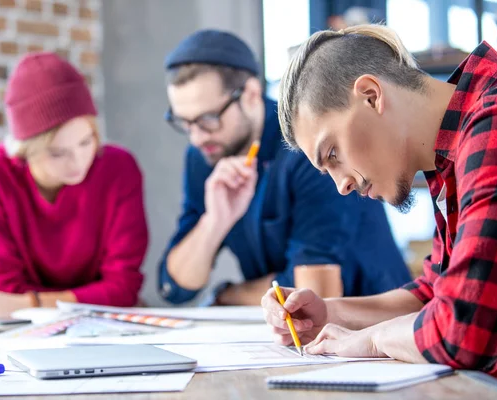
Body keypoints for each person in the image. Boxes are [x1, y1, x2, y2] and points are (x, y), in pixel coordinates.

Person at [262, 24, 497, 385]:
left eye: (333, 154)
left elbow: (466, 327)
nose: (342, 186)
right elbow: (437, 290)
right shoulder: (455, 149)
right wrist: (328, 313)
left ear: (370, 95)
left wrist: (371, 339)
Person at [158, 29, 411, 306]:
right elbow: (175, 286)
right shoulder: (204, 154)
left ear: (251, 94)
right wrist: (214, 222)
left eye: (208, 119)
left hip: (372, 316)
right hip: (283, 328)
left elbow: (308, 285)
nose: (196, 137)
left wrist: (227, 295)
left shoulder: (306, 144)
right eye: (184, 123)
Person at [0, 52, 149, 320]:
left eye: (86, 141)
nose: (79, 161)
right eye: (58, 153)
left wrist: (31, 303)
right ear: (25, 151)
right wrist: (79, 300)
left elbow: (123, 288)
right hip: (26, 331)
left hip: (105, 324)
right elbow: (2, 291)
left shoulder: (119, 168)